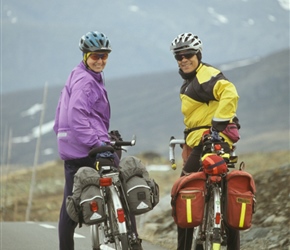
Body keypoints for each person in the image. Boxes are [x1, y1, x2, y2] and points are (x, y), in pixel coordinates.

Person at [53, 31, 142, 250]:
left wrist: (104, 135)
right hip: (85, 148)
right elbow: (77, 116)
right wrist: (97, 144)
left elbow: (73, 117)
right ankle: (133, 240)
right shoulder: (86, 81)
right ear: (85, 55)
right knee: (120, 184)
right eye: (95, 56)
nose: (100, 61)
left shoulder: (79, 74)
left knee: (70, 205)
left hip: (72, 147)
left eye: (104, 56)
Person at [169, 32, 241, 250]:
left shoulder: (206, 75)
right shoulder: (192, 82)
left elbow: (230, 93)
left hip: (209, 140)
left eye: (188, 54)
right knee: (227, 187)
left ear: (198, 54)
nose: (184, 59)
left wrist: (217, 126)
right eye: (178, 56)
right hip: (208, 139)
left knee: (183, 190)